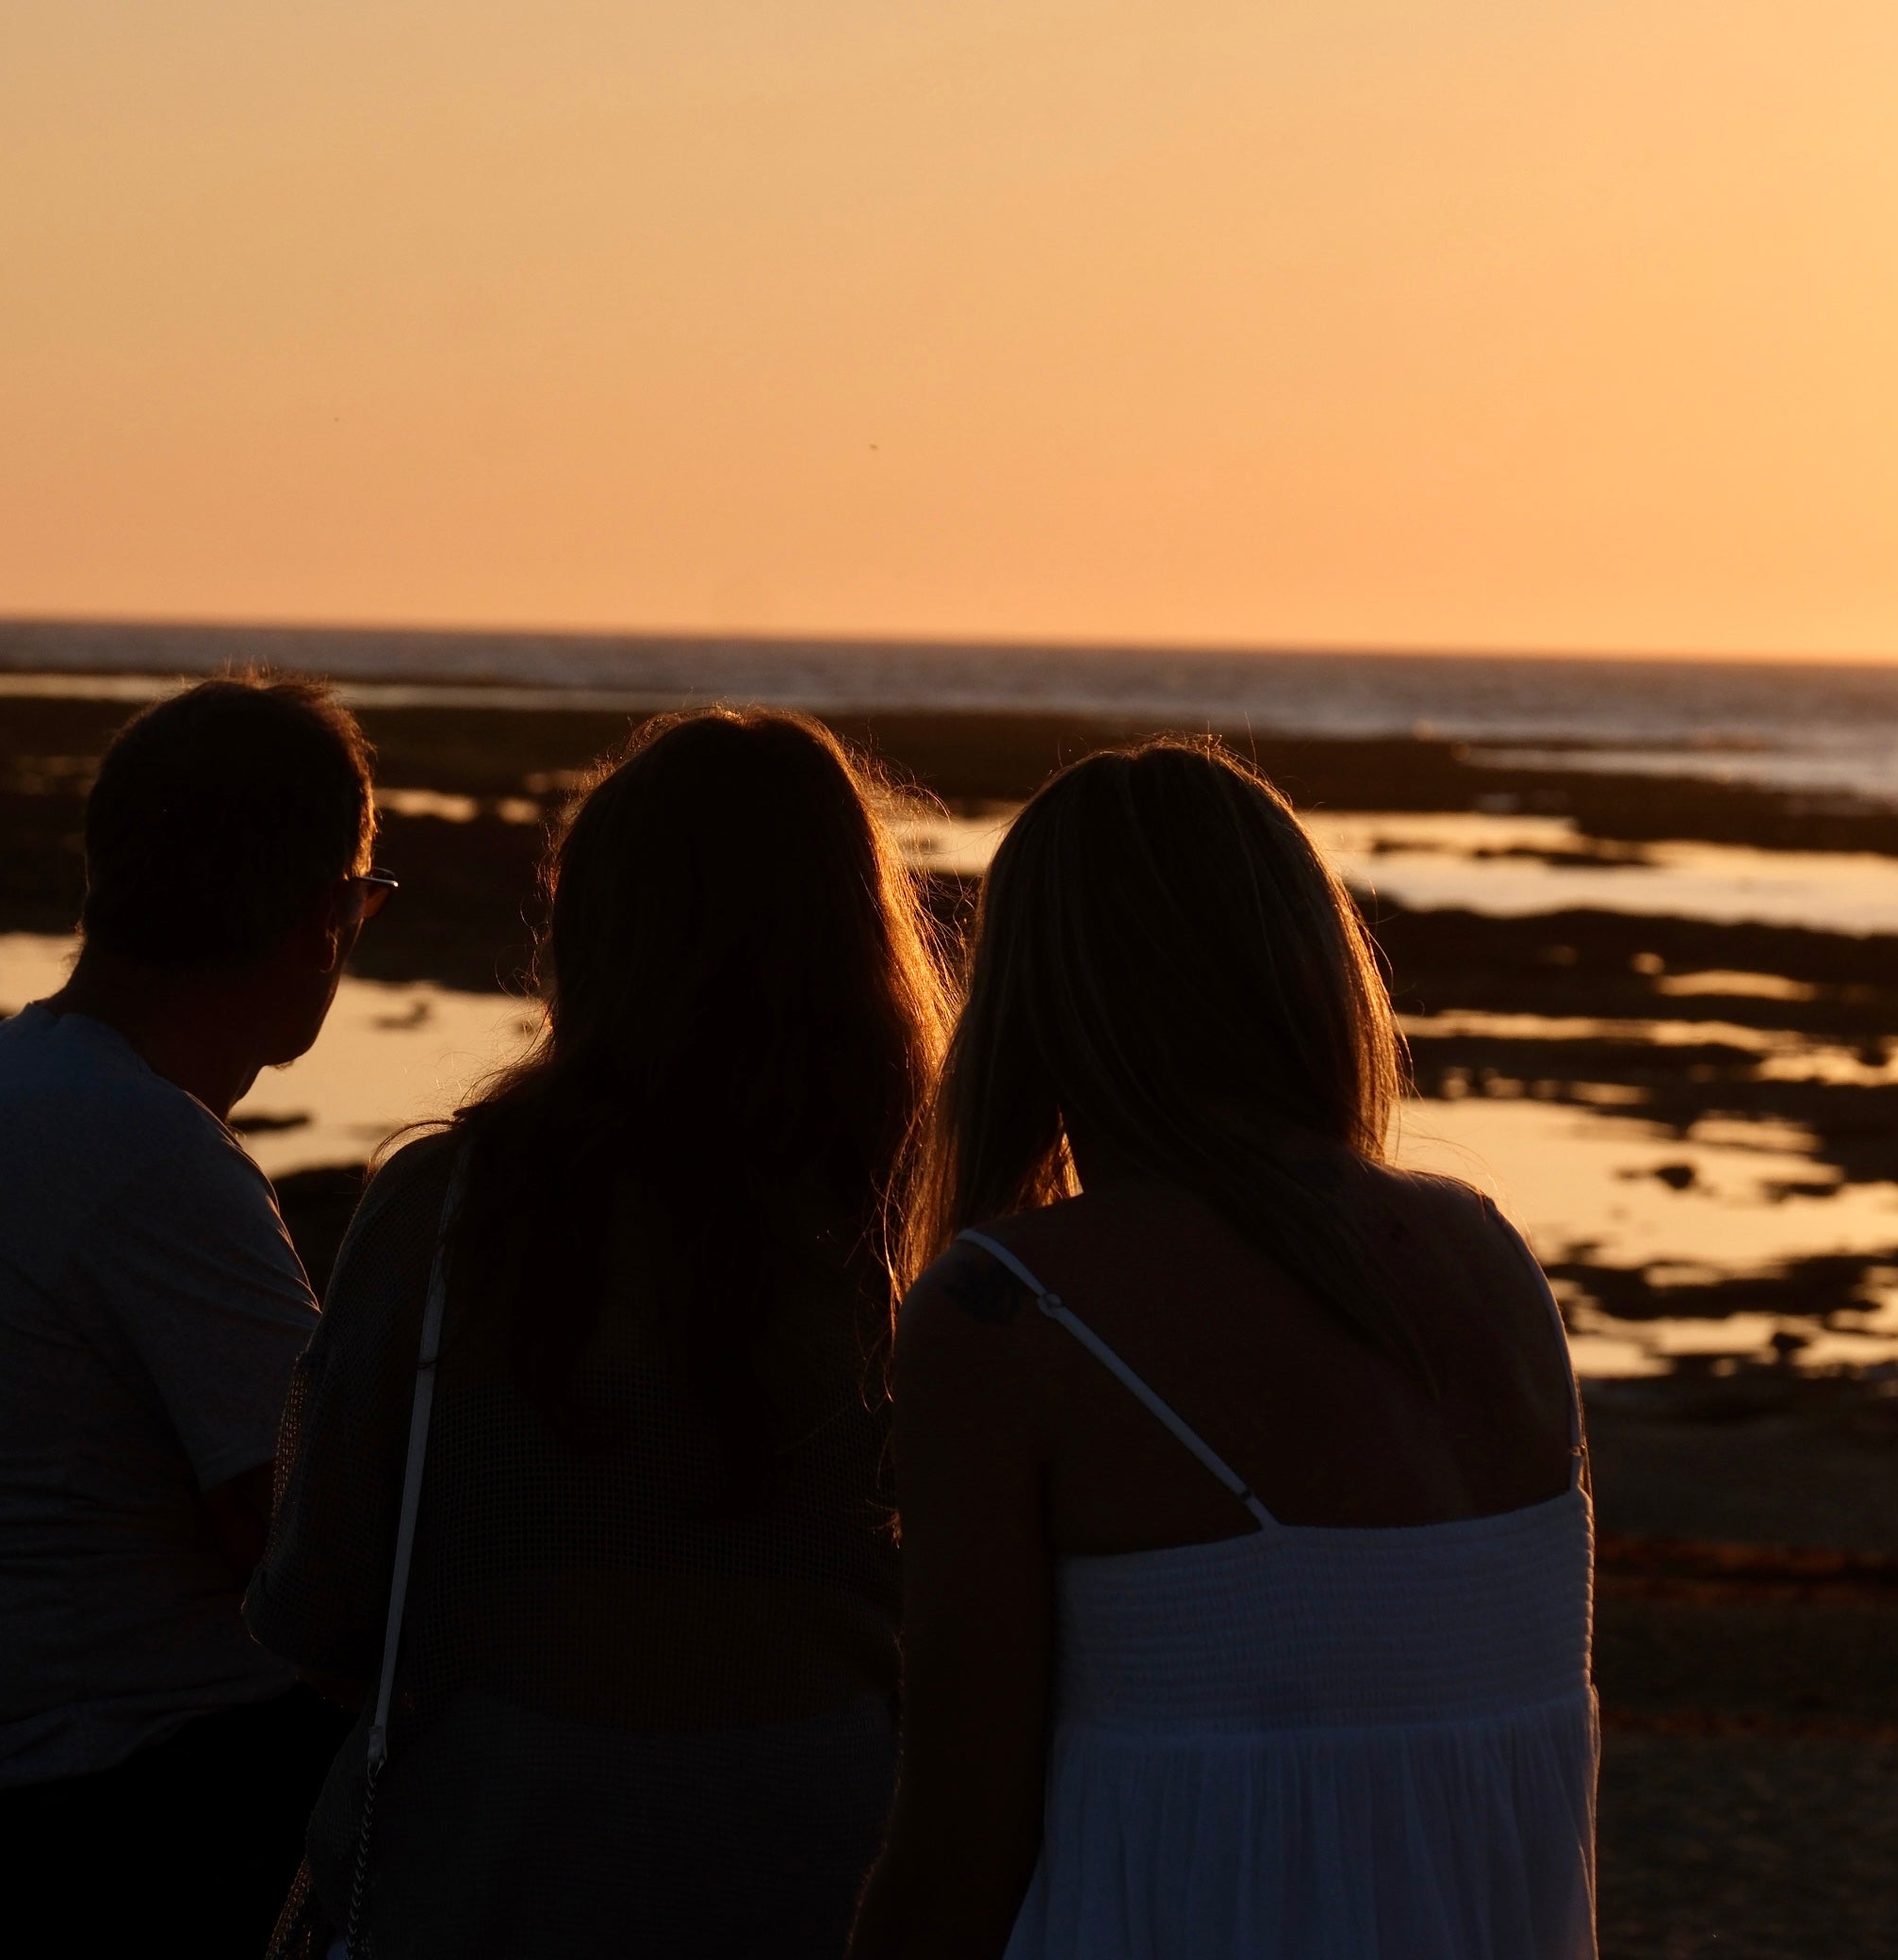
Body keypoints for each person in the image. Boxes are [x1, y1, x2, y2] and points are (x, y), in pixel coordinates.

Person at [850, 740, 1595, 1960]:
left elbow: (957, 1851)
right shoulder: (1490, 1264)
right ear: (1311, 968)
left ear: (1036, 997)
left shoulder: (1015, 1313)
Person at [247, 709, 950, 1959]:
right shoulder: (928, 1230)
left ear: (592, 932)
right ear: (861, 941)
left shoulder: (445, 1212)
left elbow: (319, 1600)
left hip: (496, 1861)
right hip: (833, 1868)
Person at [0, 676, 392, 1958]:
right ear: (319, 920)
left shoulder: (8, 1094)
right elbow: (309, 1559)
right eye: (364, 899)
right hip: (95, 1830)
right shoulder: (141, 1150)